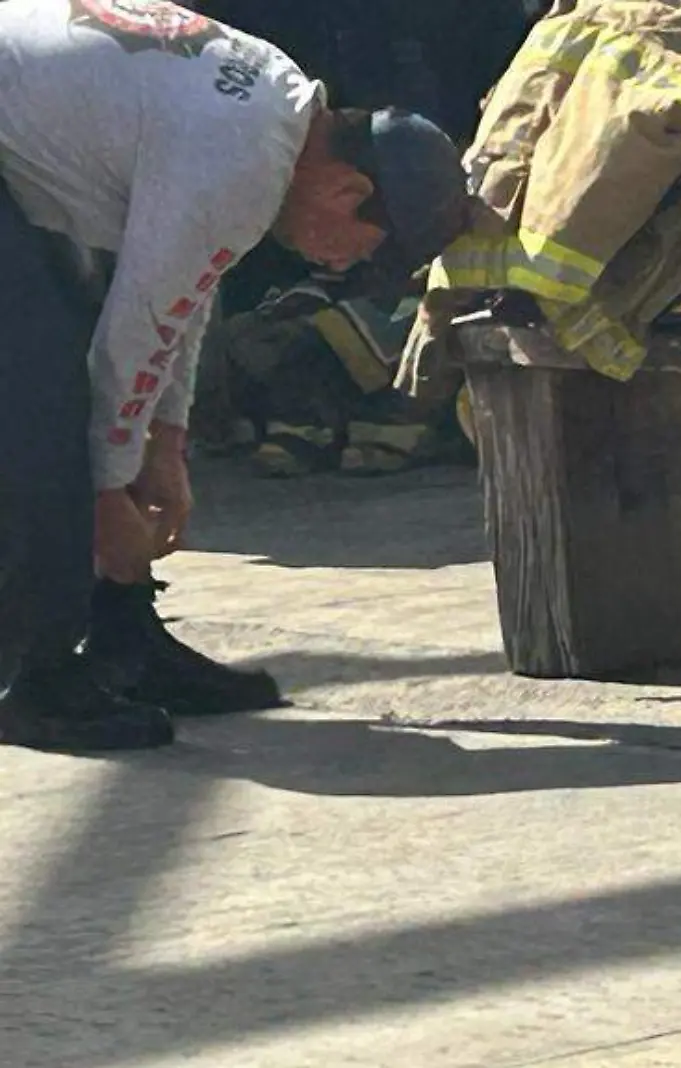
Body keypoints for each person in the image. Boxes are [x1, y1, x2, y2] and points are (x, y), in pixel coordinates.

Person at [0, 0, 471, 753]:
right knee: (37, 397)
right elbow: (135, 336)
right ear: (349, 191)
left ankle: (123, 641)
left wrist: (165, 446)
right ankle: (33, 677)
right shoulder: (243, 159)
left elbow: (181, 296)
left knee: (69, 388)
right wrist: (106, 494)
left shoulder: (274, 111)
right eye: (362, 249)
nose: (340, 266)